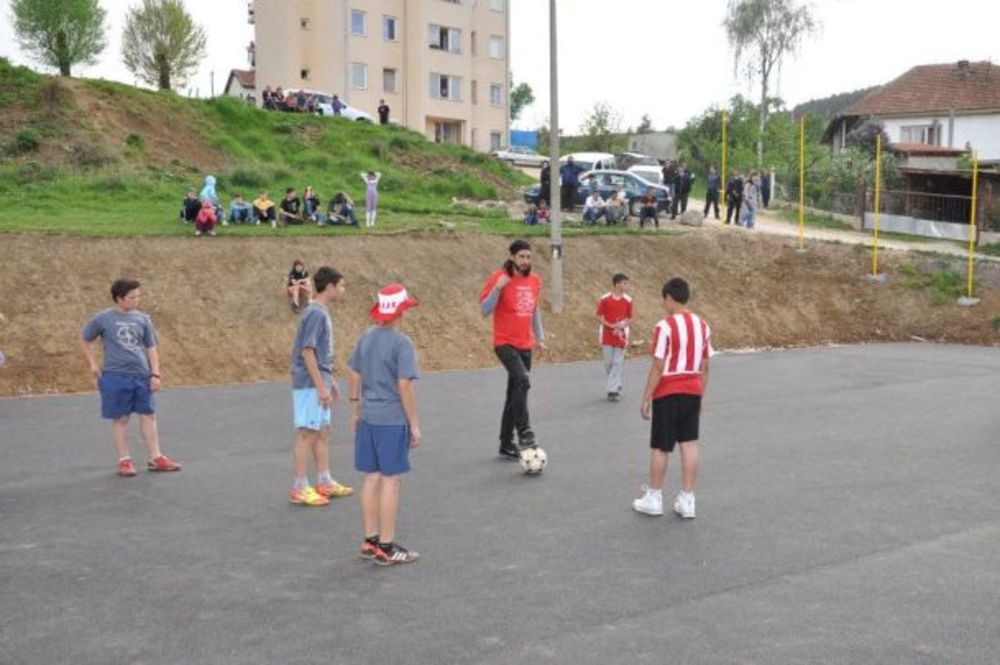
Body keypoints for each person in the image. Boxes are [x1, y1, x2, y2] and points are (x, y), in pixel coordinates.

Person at [348, 283, 421, 566]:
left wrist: (355, 410)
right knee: (391, 480)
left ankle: (370, 540)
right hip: (391, 420)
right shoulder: (402, 343)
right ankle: (387, 546)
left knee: (371, 477)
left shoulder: (366, 337)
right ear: (401, 311)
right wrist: (413, 423)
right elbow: (404, 386)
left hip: (368, 417)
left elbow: (354, 374)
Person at [78, 278, 182, 477]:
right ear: (119, 298)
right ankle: (124, 460)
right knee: (121, 418)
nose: (137, 300)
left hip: (142, 376)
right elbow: (84, 338)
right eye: (132, 297)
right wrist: (92, 363)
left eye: (138, 296)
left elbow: (151, 348)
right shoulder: (102, 319)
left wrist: (155, 374)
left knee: (149, 416)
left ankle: (156, 457)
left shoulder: (143, 319)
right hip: (115, 376)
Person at [633, 277, 712, 520]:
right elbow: (705, 366)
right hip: (692, 388)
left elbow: (659, 365)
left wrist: (647, 397)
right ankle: (688, 499)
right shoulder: (703, 326)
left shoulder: (664, 327)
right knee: (689, 444)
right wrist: (700, 396)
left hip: (668, 390)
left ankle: (654, 497)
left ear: (669, 298)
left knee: (661, 447)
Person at [288, 266, 354, 506]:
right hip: (308, 383)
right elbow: (307, 352)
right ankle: (299, 486)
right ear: (330, 286)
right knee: (307, 432)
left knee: (323, 430)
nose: (343, 290)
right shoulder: (316, 313)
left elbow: (319, 354)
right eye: (342, 285)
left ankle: (324, 480)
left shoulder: (318, 311)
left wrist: (329, 380)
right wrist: (320, 386)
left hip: (318, 380)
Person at [479, 239, 546, 459]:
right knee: (523, 380)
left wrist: (540, 337)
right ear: (512, 257)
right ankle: (524, 430)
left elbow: (534, 310)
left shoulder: (535, 281)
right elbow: (484, 310)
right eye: (521, 257)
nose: (525, 261)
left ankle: (506, 443)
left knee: (515, 393)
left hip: (525, 344)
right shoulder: (499, 279)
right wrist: (498, 288)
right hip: (504, 342)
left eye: (528, 257)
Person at [596, 273, 633, 402]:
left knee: (618, 362)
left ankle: (612, 391)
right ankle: (616, 384)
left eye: (627, 283)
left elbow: (629, 318)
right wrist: (611, 326)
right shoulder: (605, 299)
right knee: (609, 363)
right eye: (624, 283)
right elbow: (599, 317)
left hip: (621, 335)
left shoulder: (628, 300)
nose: (626, 286)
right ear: (617, 284)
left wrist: (621, 325)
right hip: (606, 334)